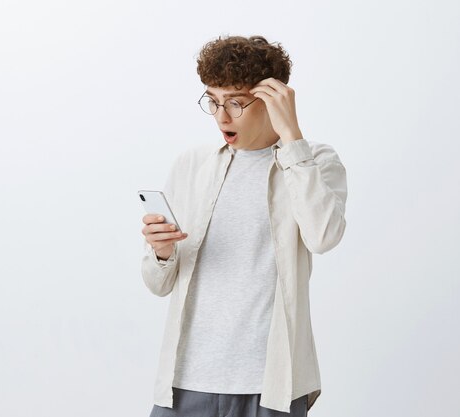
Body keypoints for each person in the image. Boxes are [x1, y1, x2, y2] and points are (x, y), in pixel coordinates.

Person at [140, 35, 348, 417]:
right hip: (185, 381)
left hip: (270, 384)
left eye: (236, 103)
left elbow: (323, 236)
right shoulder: (191, 165)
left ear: (273, 100)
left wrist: (292, 139)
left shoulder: (314, 161)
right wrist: (162, 252)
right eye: (213, 101)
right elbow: (158, 284)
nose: (222, 117)